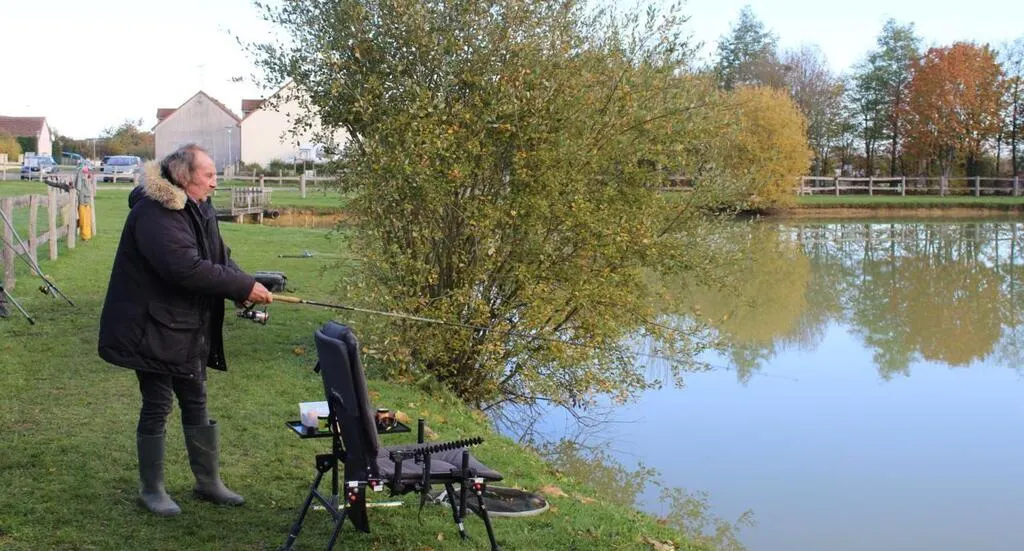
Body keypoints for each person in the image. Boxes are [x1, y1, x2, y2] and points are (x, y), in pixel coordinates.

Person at [98, 144, 273, 517]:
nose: (215, 183)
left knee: (196, 399)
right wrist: (240, 286)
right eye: (208, 175)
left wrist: (243, 286)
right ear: (183, 177)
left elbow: (218, 257)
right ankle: (151, 490)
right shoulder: (154, 212)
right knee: (158, 404)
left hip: (187, 323)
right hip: (150, 326)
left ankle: (208, 482)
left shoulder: (199, 206)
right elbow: (185, 268)